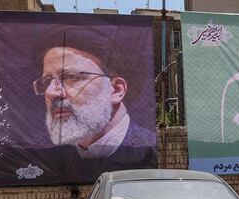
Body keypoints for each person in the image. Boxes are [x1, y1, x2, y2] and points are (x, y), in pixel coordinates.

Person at [33, 26, 156, 174]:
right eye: (47, 82)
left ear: (116, 90)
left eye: (70, 77)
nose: (51, 92)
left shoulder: (150, 152)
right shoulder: (53, 159)